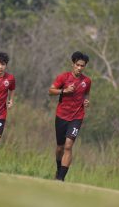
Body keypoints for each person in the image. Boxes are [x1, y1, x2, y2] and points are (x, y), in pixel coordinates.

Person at [48, 51, 91, 181]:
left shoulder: (87, 81)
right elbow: (51, 91)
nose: (79, 68)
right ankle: (58, 169)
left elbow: (86, 94)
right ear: (73, 64)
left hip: (76, 118)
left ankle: (60, 179)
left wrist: (86, 101)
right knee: (60, 147)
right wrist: (64, 91)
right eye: (77, 65)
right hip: (61, 116)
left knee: (68, 146)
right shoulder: (63, 77)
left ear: (84, 66)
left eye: (82, 66)